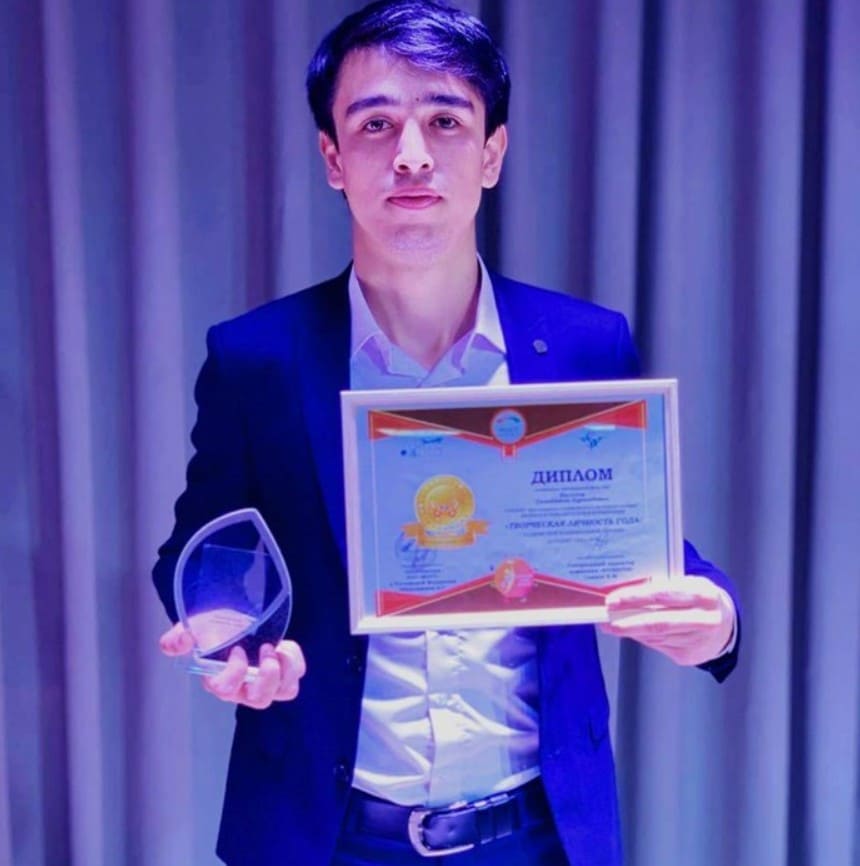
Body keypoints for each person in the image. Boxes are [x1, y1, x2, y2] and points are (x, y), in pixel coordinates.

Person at [154, 2, 740, 864]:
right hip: (327, 836)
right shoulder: (258, 360)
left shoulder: (584, 344)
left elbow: (625, 533)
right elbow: (198, 551)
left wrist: (718, 616)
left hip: (539, 835)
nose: (411, 154)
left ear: (492, 154)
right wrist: (228, 639)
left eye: (445, 121)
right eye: (376, 123)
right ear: (332, 158)